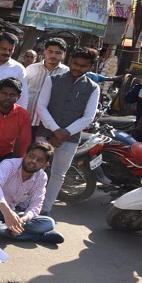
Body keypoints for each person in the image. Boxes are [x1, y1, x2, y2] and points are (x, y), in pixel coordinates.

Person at [36, 48, 100, 216]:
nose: (77, 68)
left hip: (70, 139)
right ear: (70, 61)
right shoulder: (52, 79)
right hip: (45, 133)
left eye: (82, 66)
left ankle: (46, 208)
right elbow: (41, 106)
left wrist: (66, 132)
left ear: (90, 67)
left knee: (58, 174)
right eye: (75, 63)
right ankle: (28, 203)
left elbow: (88, 117)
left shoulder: (93, 88)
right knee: (35, 169)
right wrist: (56, 130)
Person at [0, 141, 64, 244]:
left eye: (39, 160)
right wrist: (7, 212)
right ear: (25, 155)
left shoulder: (41, 177)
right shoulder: (9, 165)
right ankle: (38, 237)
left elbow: (37, 204)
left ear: (45, 164)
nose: (33, 161)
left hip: (14, 213)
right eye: (31, 156)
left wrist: (23, 220)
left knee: (49, 223)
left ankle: (13, 229)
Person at [25, 38, 69, 139]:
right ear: (45, 51)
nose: (53, 56)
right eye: (50, 52)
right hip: (28, 120)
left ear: (64, 54)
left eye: (58, 53)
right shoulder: (31, 69)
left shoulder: (67, 74)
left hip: (49, 127)